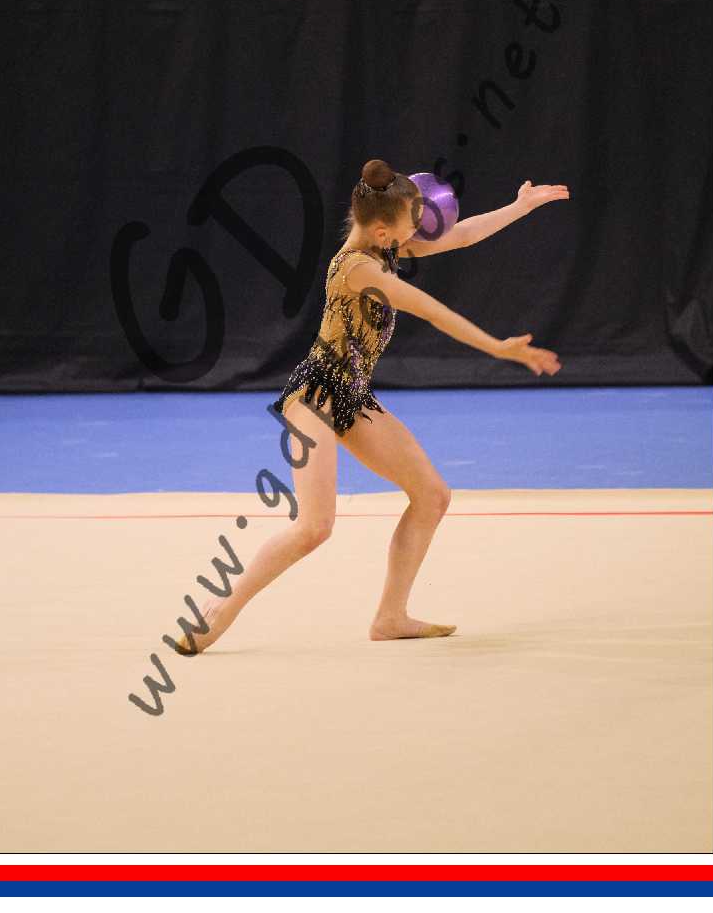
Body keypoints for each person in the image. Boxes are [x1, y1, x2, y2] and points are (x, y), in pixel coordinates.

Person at [194, 157, 568, 650]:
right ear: (382, 230)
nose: (421, 233)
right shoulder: (357, 269)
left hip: (352, 394)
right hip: (316, 395)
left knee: (432, 496)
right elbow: (432, 311)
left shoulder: (386, 245)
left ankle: (391, 616)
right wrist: (497, 348)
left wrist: (520, 207)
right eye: (412, 224)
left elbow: (462, 235)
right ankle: (220, 610)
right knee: (314, 527)